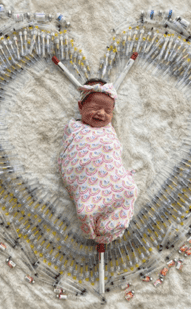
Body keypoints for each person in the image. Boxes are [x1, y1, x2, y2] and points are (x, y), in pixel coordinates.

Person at [58, 78, 137, 244]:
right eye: (95, 108)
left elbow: (113, 151)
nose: (102, 113)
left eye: (108, 111)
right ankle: (92, 223)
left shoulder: (109, 130)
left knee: (128, 189)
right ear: (81, 107)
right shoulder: (74, 128)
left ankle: (112, 228)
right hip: (86, 176)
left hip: (110, 175)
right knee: (86, 210)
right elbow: (69, 155)